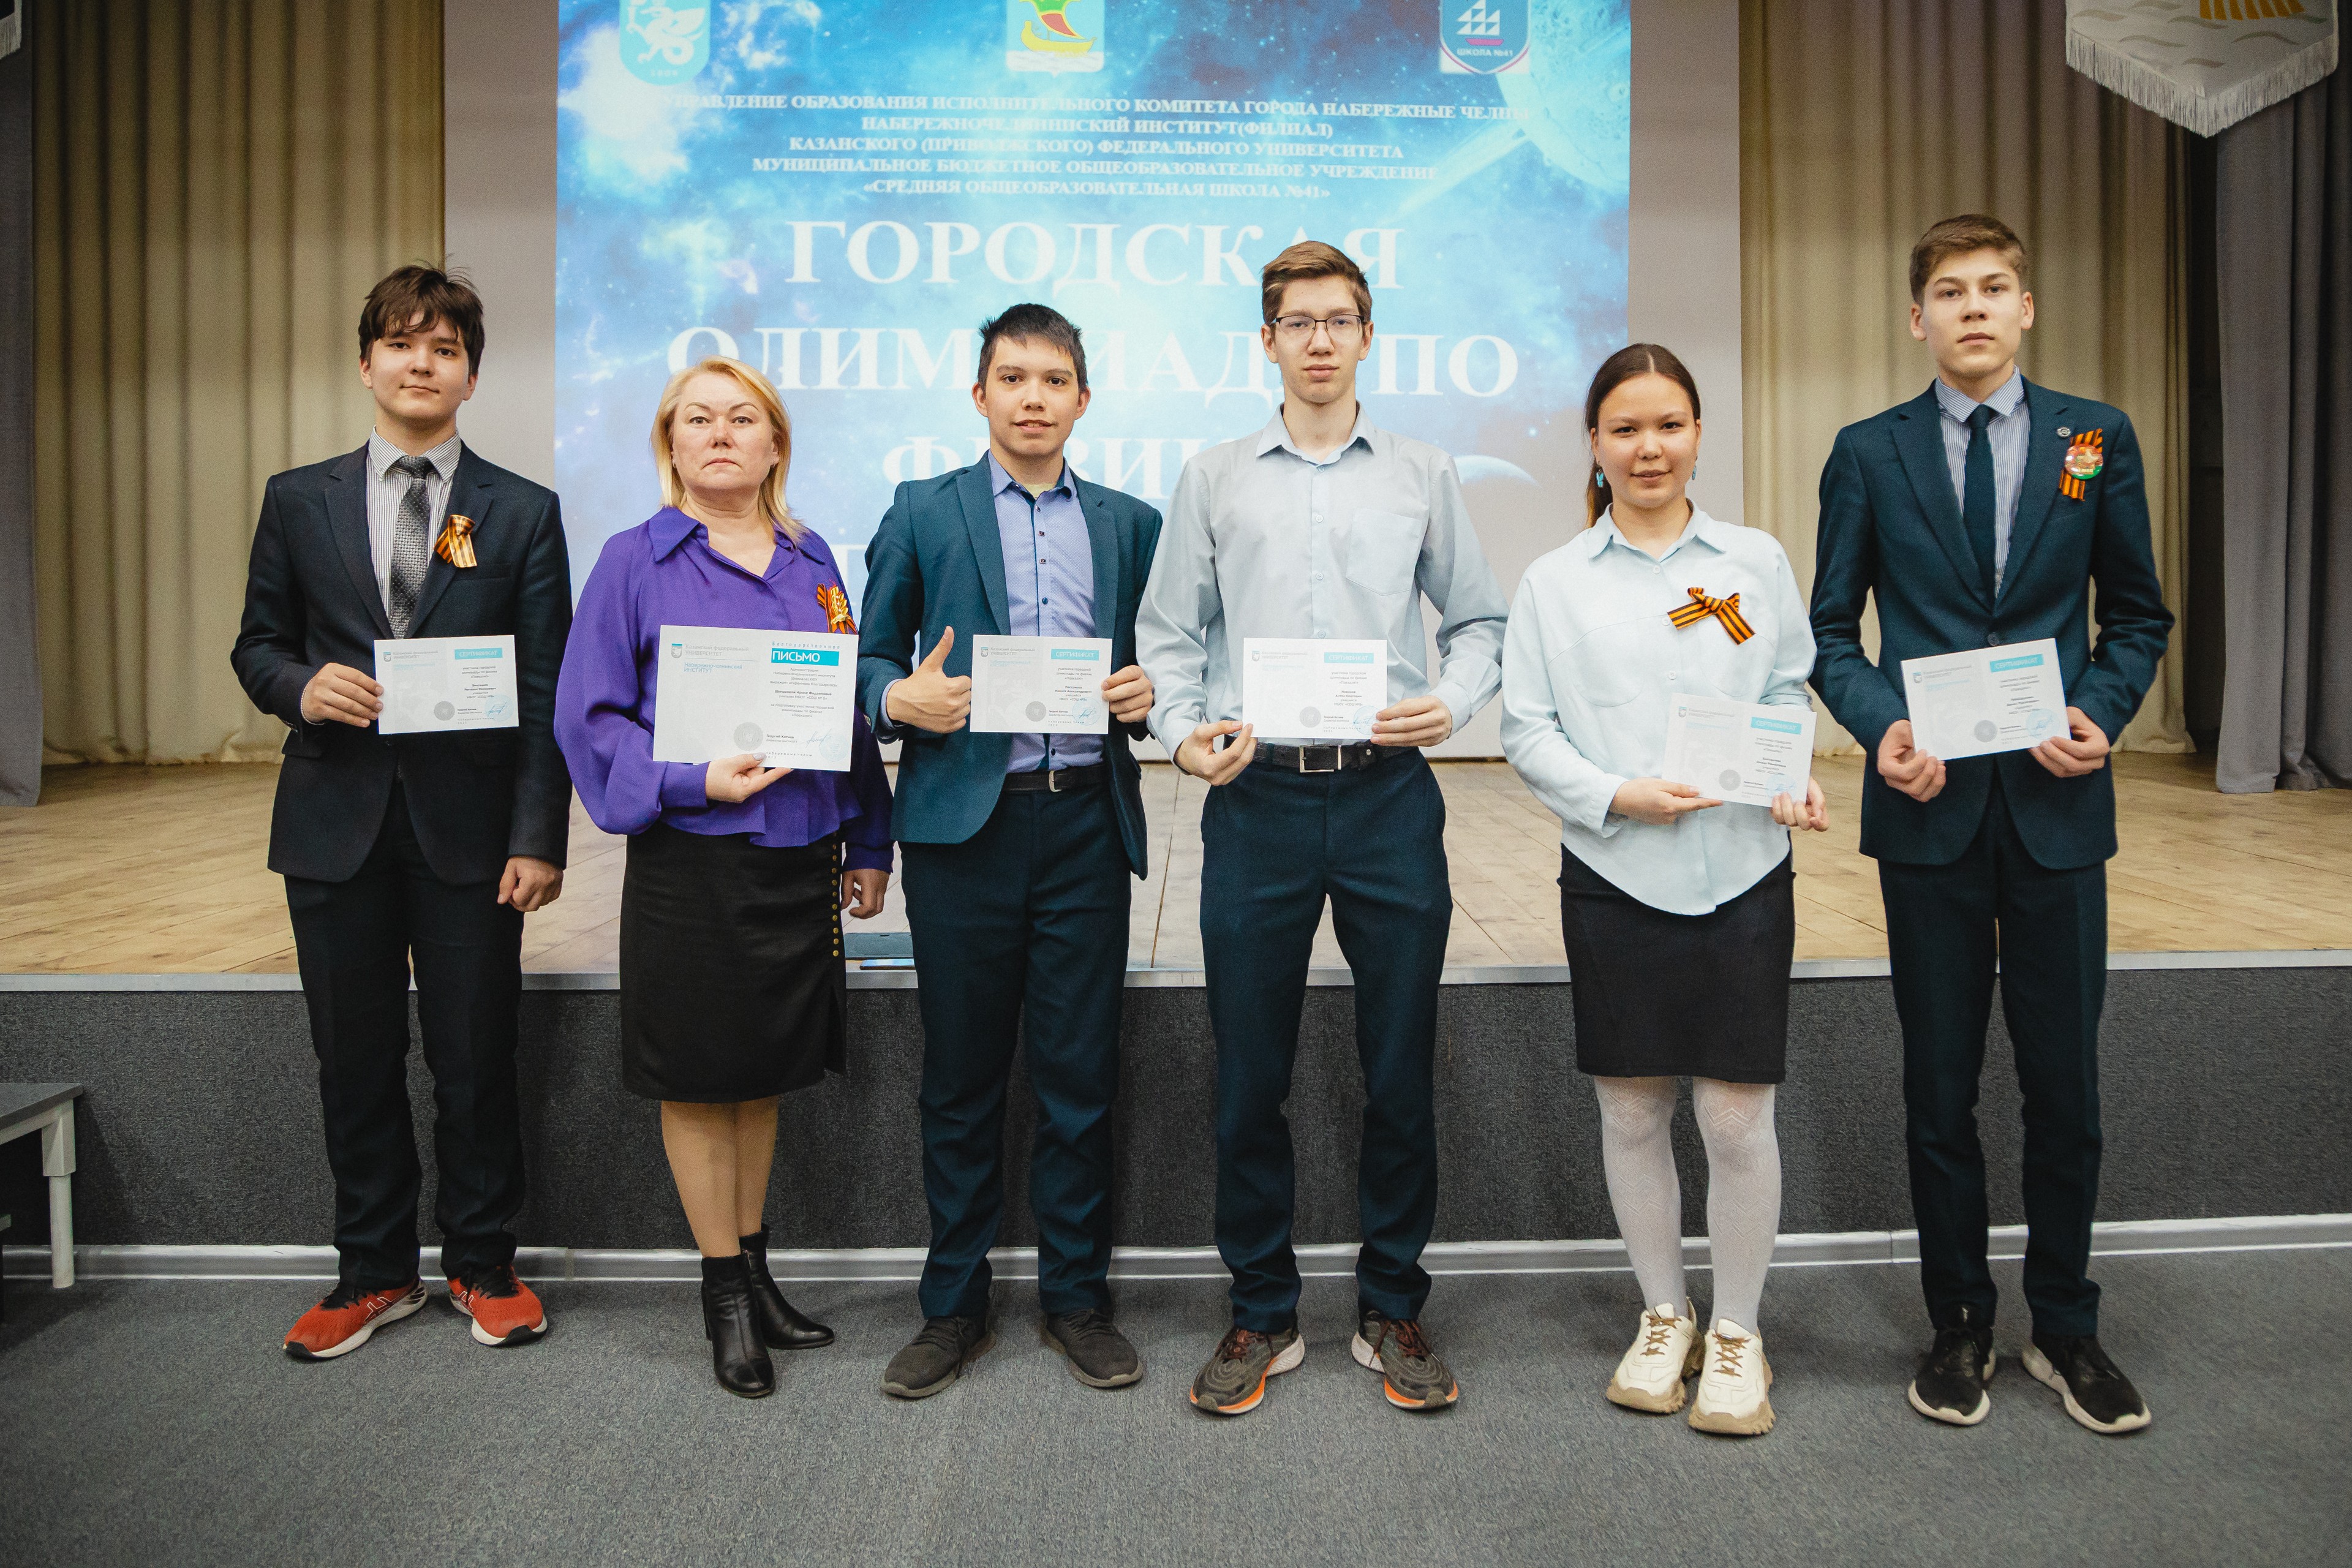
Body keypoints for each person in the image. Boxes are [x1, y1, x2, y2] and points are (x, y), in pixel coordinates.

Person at [1810, 215, 2173, 1436]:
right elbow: (1827, 634)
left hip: (2061, 805)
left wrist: (2103, 712)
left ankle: (2066, 1327)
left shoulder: (2096, 437)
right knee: (1940, 1084)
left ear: (2028, 308)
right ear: (1917, 318)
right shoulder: (1868, 452)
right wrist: (1881, 728)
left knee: (2065, 1086)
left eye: (1995, 287)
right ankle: (1960, 1321)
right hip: (1929, 813)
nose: (1973, 308)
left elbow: (2137, 617)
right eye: (1949, 292)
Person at [1137, 240, 1508, 1417]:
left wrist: (1450, 703)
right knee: (1251, 1070)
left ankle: (1393, 1305)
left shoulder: (1421, 472)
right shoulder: (1213, 477)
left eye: (1339, 319)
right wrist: (1187, 735)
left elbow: (1483, 619)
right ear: (1266, 341)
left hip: (1389, 796)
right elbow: (1167, 636)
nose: (1318, 339)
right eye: (1296, 321)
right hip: (1258, 799)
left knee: (1399, 1066)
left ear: (1366, 334)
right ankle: (1260, 1310)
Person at [232, 265, 570, 1360]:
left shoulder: (523, 511)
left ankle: (482, 1262)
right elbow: (257, 644)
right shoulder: (299, 498)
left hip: (472, 833)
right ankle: (372, 1270)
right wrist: (298, 687)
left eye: (445, 349)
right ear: (366, 360)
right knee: (355, 1056)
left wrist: (538, 835)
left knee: (477, 1053)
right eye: (403, 344)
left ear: (471, 373)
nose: (422, 364)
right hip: (335, 820)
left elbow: (544, 691)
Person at [1500, 343, 1826, 1438]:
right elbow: (1525, 730)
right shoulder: (1555, 581)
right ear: (1594, 443)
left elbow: (1788, 688)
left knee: (1736, 1119)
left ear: (1698, 433)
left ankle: (1738, 1331)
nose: (1650, 447)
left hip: (1742, 870)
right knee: (1633, 1109)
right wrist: (1613, 795)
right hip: (1613, 870)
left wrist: (1789, 776)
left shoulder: (1752, 563)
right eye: (1626, 428)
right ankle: (1663, 1314)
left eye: (1670, 425)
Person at [554, 357, 892, 1400]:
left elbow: (838, 708)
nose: (719, 434)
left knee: (762, 1068)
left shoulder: (814, 556)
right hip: (691, 860)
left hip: (799, 853)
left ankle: (757, 1265)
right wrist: (694, 774)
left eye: (741, 419)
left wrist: (870, 840)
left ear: (774, 443)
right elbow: (588, 717)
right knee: (701, 1075)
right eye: (696, 419)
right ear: (670, 443)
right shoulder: (632, 561)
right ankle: (723, 1297)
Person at [857, 304, 1163, 1399]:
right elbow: (869, 657)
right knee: (962, 1078)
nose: (1034, 397)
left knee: (1081, 1078)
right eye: (1013, 377)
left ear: (1085, 399)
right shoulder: (922, 509)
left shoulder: (1133, 522)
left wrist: (1150, 693)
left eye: (1055, 379)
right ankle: (954, 1306)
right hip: (963, 832)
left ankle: (1077, 1300)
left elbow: (1163, 664)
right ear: (978, 394)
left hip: (1083, 818)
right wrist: (898, 696)